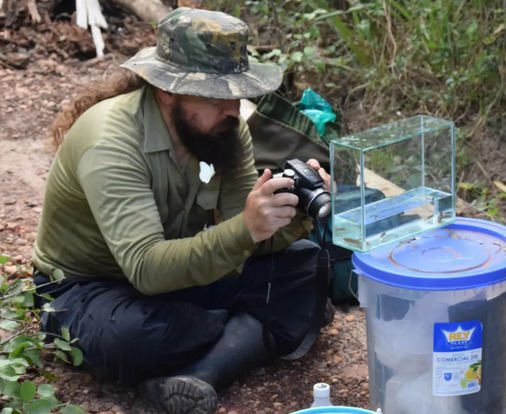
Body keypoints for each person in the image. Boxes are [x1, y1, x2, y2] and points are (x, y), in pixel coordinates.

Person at [32, 7, 331, 414]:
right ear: (167, 90)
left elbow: (252, 239)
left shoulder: (226, 129)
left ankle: (198, 375)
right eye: (216, 95)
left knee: (305, 264)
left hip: (180, 272)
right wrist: (245, 230)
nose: (233, 108)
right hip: (89, 287)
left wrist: (292, 212)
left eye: (237, 93)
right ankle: (246, 330)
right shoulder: (110, 140)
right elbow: (147, 267)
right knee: (131, 336)